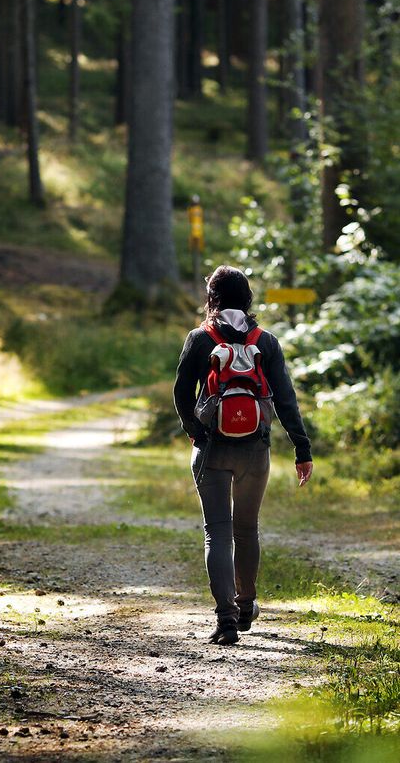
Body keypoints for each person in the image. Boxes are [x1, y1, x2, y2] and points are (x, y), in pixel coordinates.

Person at [173, 265, 313, 645]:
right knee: (246, 529)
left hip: (213, 448)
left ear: (211, 299)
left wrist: (195, 431)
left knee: (217, 533)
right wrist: (302, 449)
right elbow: (285, 399)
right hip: (256, 449)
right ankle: (246, 603)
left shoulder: (199, 338)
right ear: (248, 299)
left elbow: (182, 394)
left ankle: (226, 620)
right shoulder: (265, 341)